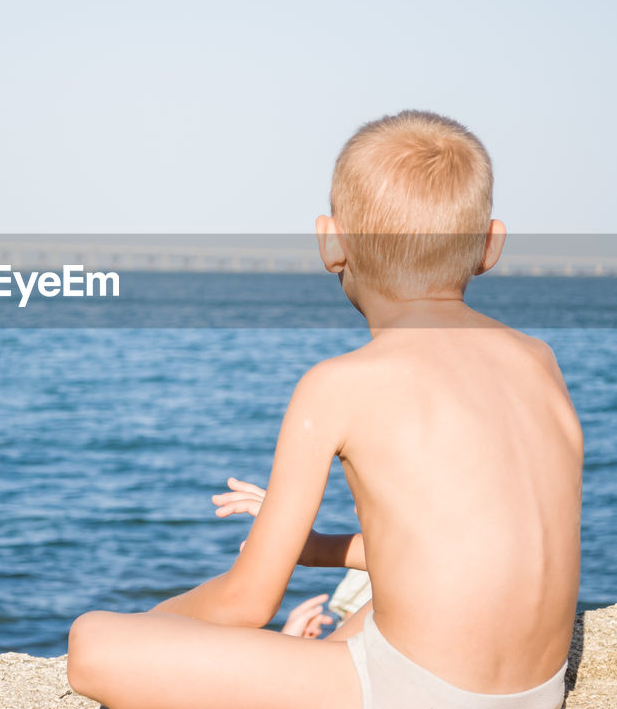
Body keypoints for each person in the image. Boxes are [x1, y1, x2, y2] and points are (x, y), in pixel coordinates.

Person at [67, 110, 583, 709]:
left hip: (417, 695)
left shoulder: (339, 384)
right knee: (388, 601)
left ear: (330, 240)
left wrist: (158, 624)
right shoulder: (538, 360)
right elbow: (466, 544)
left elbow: (247, 602)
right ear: (492, 245)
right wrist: (314, 548)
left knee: (93, 643)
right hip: (532, 692)